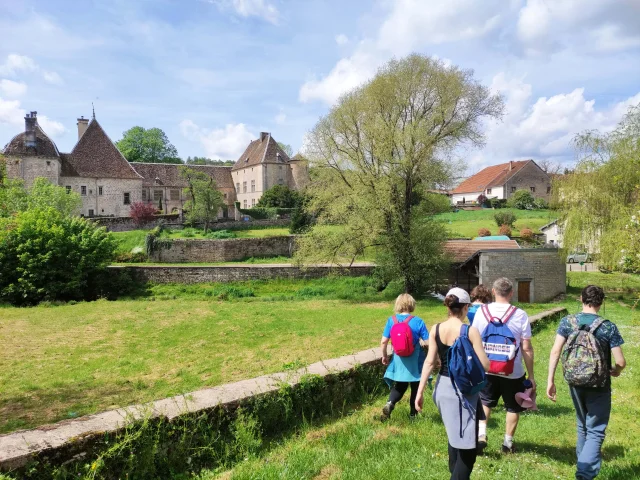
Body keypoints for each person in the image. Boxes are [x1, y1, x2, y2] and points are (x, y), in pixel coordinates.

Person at [547, 285, 626, 480]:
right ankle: (584, 474)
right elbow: (621, 361)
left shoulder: (567, 322)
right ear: (601, 302)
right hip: (599, 383)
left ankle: (582, 463)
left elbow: (556, 351)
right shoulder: (608, 326)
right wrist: (616, 370)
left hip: (574, 381)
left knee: (582, 425)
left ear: (581, 299)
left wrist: (550, 380)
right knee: (596, 430)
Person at [415, 288, 490, 480]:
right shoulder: (469, 331)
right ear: (465, 308)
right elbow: (485, 364)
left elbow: (429, 362)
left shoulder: (436, 329)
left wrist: (419, 392)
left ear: (448, 307)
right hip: (462, 392)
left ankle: (454, 472)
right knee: (468, 449)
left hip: (442, 388)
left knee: (454, 434)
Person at [472, 277, 535, 454]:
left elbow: (473, 338)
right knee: (513, 406)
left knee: (485, 401)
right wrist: (531, 375)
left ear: (493, 291)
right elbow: (527, 348)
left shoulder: (481, 312)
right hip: (512, 370)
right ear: (511, 293)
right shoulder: (520, 314)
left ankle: (481, 435)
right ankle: (507, 444)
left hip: (486, 367)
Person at [380, 293, 429, 420]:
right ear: (412, 305)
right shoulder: (418, 321)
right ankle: (413, 415)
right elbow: (428, 342)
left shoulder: (391, 320)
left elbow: (384, 342)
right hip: (416, 360)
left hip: (399, 360)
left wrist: (384, 356)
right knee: (416, 387)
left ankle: (390, 403)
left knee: (400, 386)